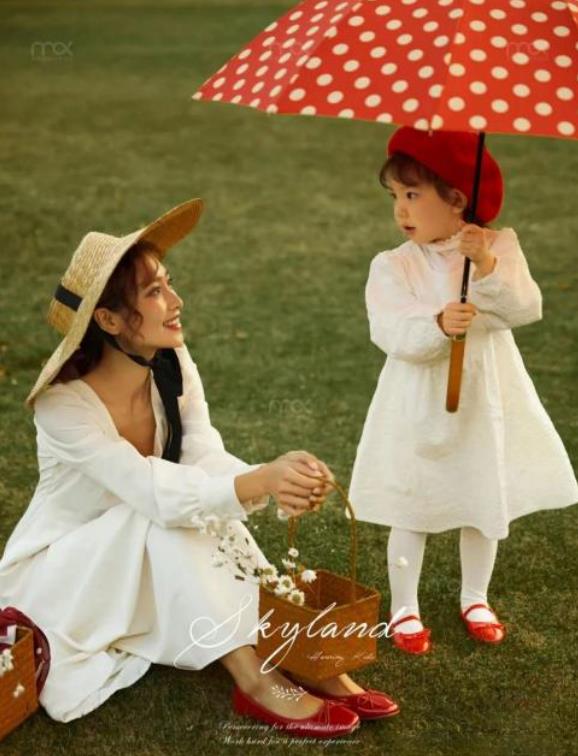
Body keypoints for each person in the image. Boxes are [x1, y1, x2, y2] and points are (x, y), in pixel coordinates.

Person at [0, 199, 398, 737]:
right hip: (67, 573)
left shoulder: (171, 362)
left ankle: (291, 647)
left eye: (169, 283)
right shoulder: (61, 407)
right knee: (165, 515)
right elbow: (149, 490)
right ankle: (256, 679)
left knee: (191, 507)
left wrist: (273, 476)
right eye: (153, 292)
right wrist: (259, 480)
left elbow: (202, 455)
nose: (176, 301)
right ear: (109, 320)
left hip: (144, 553)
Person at [348, 127, 578, 655]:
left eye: (413, 194)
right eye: (395, 196)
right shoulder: (394, 264)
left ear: (457, 199)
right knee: (413, 499)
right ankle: (405, 606)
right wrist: (436, 323)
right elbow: (389, 329)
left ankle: (475, 596)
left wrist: (488, 267)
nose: (401, 209)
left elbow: (524, 308)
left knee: (481, 489)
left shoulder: (496, 248)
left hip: (484, 397)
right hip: (417, 401)